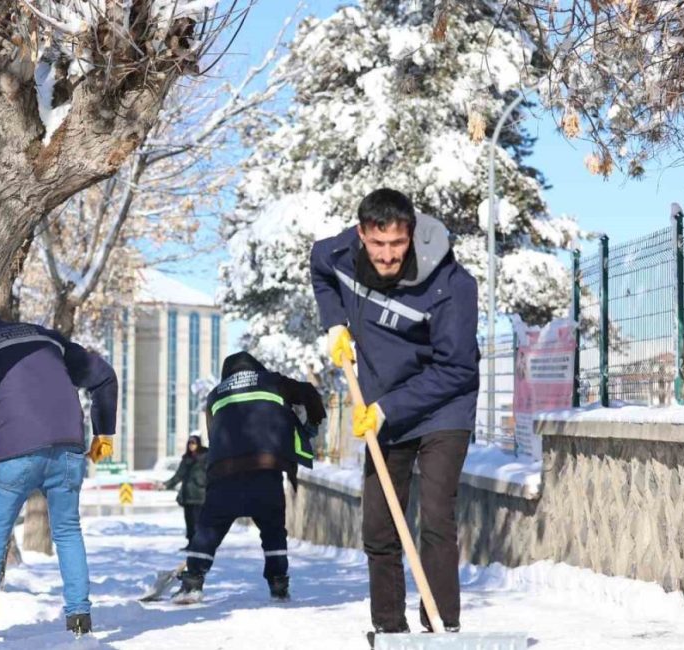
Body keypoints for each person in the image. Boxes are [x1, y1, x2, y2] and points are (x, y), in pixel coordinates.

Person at [310, 188, 480, 637]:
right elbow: (318, 265)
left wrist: (389, 408)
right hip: (381, 403)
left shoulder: (452, 287)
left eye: (398, 244)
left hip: (444, 405)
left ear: (411, 234)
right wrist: (334, 324)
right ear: (362, 234)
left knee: (437, 516)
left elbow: (457, 369)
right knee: (380, 526)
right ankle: (388, 631)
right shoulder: (341, 253)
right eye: (378, 244)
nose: (387, 256)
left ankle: (442, 626)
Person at [0, 306, 118, 638]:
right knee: (68, 531)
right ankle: (79, 617)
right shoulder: (45, 335)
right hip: (69, 446)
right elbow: (103, 376)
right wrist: (104, 436)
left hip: (12, 450)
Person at [172, 351, 325, 604]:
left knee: (208, 530)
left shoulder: (215, 394)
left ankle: (193, 582)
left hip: (225, 472)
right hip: (265, 469)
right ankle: (278, 584)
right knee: (273, 529)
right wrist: (312, 425)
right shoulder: (273, 381)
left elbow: (214, 436)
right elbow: (309, 392)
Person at [162, 434, 208, 550]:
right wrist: (166, 484)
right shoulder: (186, 458)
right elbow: (178, 475)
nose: (191, 445)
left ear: (198, 444)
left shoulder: (205, 457)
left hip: (199, 495)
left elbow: (211, 474)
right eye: (190, 443)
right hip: (187, 495)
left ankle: (199, 544)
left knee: (198, 521)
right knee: (189, 522)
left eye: (194, 443)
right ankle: (191, 542)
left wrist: (202, 482)